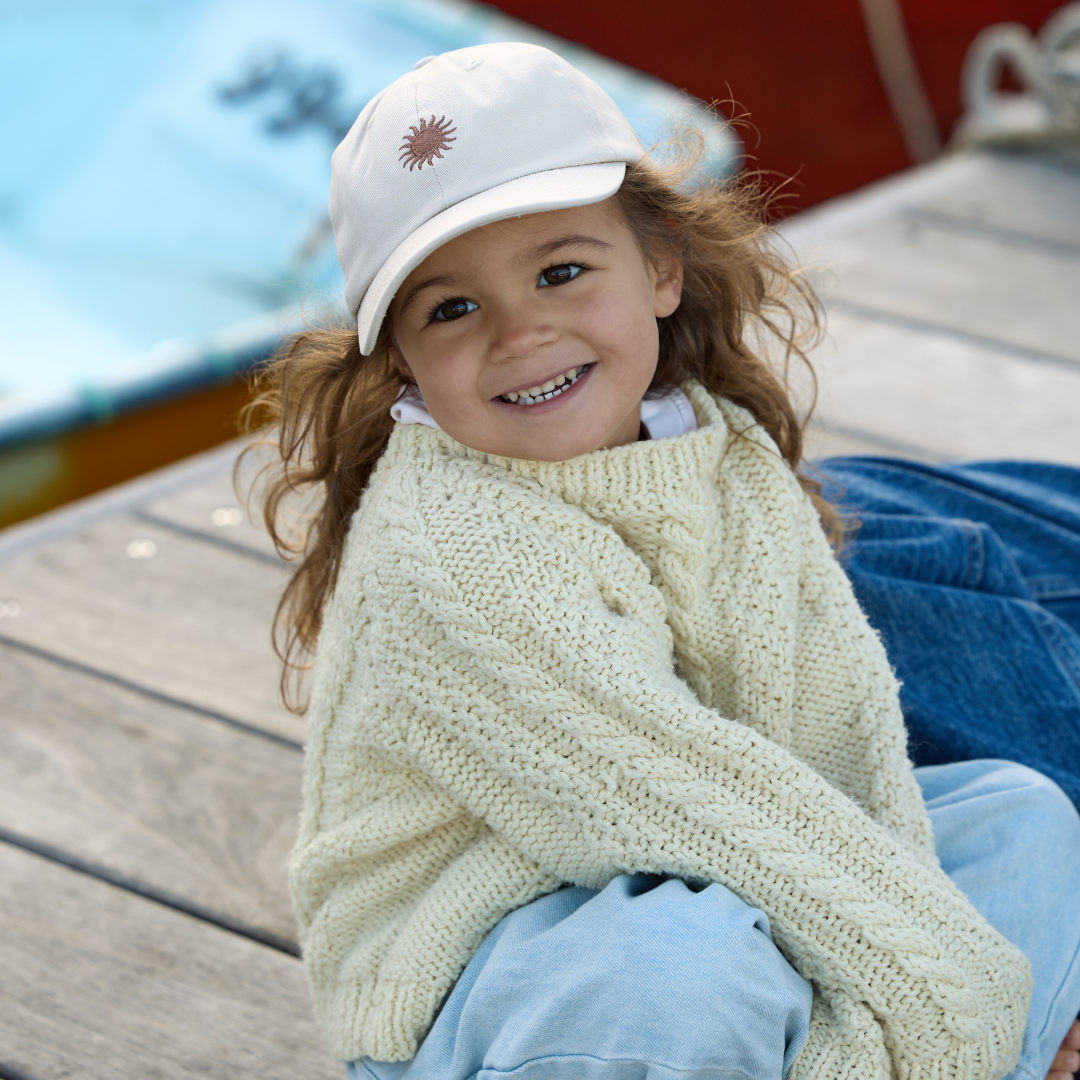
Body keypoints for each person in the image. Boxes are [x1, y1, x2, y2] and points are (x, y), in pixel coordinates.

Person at [251, 42, 1080, 1080]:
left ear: (660, 268)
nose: (520, 332)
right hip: (501, 967)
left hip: (698, 874)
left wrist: (882, 1016)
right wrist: (958, 1006)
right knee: (683, 968)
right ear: (402, 361)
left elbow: (831, 739)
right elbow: (670, 797)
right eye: (451, 308)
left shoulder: (712, 449)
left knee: (1013, 815)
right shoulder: (452, 553)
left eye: (561, 272)